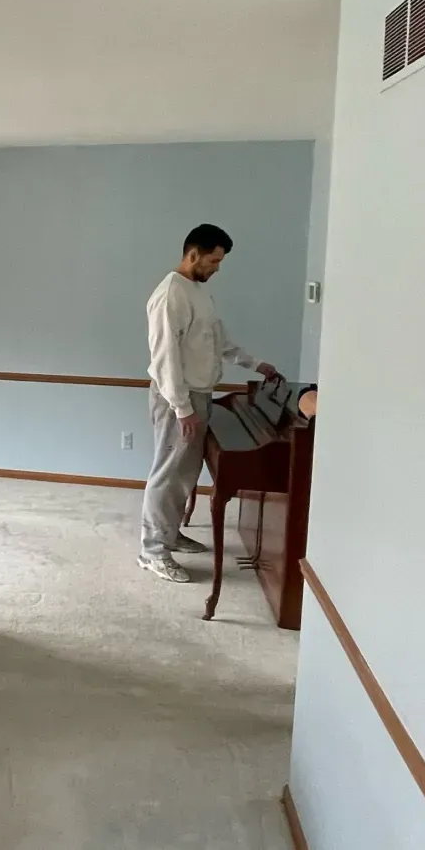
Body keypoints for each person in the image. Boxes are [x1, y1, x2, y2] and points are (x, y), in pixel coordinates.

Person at [139, 224, 279, 583]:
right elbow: (164, 358)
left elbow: (217, 339)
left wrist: (255, 364)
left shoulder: (197, 292)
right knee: (167, 474)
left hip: (199, 395)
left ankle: (169, 535)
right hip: (177, 399)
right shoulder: (171, 295)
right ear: (193, 254)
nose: (217, 268)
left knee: (185, 473)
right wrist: (182, 408)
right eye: (214, 260)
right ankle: (152, 551)